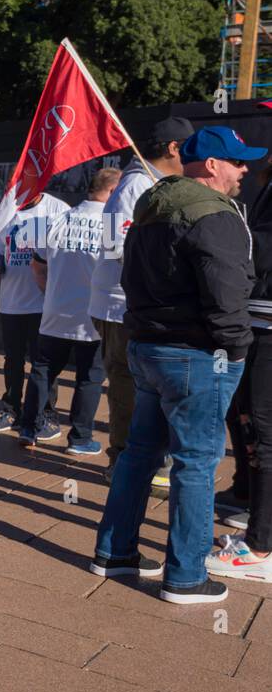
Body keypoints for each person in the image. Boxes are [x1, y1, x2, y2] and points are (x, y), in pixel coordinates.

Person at [92, 126, 265, 605]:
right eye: (237, 162)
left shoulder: (153, 204)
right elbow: (227, 291)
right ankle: (185, 576)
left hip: (148, 348)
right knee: (196, 463)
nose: (244, 170)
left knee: (138, 455)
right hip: (194, 355)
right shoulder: (213, 214)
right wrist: (235, 350)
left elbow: (128, 274)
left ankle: (114, 552)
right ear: (212, 165)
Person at [92, 117, 192, 481]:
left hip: (134, 304)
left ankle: (142, 455)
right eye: (189, 147)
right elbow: (114, 243)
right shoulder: (134, 185)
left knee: (143, 384)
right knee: (126, 385)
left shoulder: (152, 182)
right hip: (119, 306)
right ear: (173, 148)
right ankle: (122, 460)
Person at [17, 167, 121, 453]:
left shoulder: (57, 219)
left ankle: (29, 428)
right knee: (89, 378)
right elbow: (118, 274)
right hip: (94, 317)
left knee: (42, 371)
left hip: (55, 313)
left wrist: (50, 293)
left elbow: (37, 266)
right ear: (112, 192)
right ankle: (80, 439)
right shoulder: (112, 225)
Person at [205, 162, 272, 580]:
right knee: (246, 418)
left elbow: (264, 247)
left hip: (269, 322)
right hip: (258, 320)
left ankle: (262, 548)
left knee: (265, 431)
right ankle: (251, 502)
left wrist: (226, 233)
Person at [0, 191, 69, 434]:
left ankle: (46, 414)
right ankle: (11, 411)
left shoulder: (57, 208)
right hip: (11, 302)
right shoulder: (7, 209)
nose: (17, 188)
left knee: (42, 364)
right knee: (12, 361)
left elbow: (65, 251)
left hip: (43, 304)